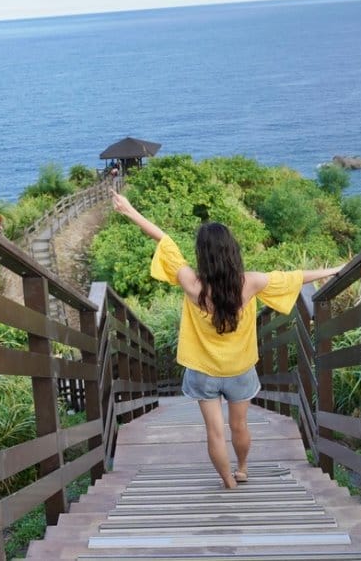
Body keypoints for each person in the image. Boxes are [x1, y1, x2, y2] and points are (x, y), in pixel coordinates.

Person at [111, 190, 343, 488]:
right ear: (232, 251)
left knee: (215, 432)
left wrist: (129, 210)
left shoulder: (190, 282)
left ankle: (227, 481)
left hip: (203, 370)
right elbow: (295, 277)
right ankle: (243, 467)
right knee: (239, 425)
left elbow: (164, 241)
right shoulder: (251, 282)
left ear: (201, 256)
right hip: (239, 369)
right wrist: (333, 270)